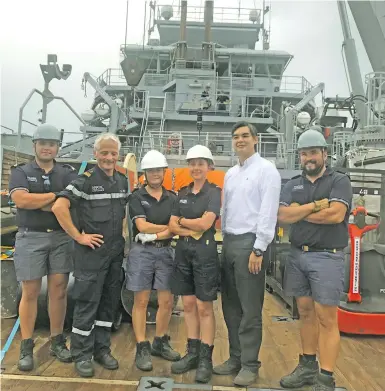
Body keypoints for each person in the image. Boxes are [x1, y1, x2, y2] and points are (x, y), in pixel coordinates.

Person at [277, 128, 353, 391]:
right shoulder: (293, 183)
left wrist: (299, 212)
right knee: (306, 313)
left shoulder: (339, 181)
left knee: (326, 318)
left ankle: (326, 377)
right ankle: (308, 366)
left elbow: (335, 215)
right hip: (298, 255)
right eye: (303, 153)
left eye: (312, 153)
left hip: (327, 257)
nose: (308, 158)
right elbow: (282, 216)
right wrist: (315, 206)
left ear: (324, 153)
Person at [52, 133, 129, 378]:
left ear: (118, 155)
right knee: (87, 304)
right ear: (95, 154)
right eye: (104, 153)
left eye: (113, 153)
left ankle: (101, 349)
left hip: (115, 253)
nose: (108, 157)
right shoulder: (83, 181)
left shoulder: (122, 180)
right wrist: (78, 236)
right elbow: (58, 206)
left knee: (108, 303)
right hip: (91, 254)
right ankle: (82, 354)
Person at [214, 121, 281, 387]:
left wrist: (259, 248)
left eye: (244, 136)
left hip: (250, 244)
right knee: (230, 307)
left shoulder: (267, 170)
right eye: (236, 137)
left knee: (250, 308)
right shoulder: (231, 173)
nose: (239, 140)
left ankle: (250, 365)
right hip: (229, 242)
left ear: (256, 139)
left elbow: (268, 211)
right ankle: (235, 357)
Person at [9, 123, 77, 371]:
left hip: (61, 237)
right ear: (35, 145)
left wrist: (39, 200)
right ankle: (26, 346)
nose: (47, 148)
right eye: (43, 143)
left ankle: (57, 341)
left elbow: (71, 202)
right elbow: (21, 199)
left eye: (52, 144)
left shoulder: (68, 173)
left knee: (58, 290)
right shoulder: (20, 172)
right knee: (30, 291)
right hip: (31, 237)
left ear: (57, 147)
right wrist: (55, 197)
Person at [168, 145, 221, 384]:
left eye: (200, 163)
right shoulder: (181, 192)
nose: (196, 168)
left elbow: (206, 224)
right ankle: (192, 352)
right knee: (188, 304)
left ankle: (205, 359)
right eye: (192, 163)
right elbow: (172, 226)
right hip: (184, 252)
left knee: (204, 307)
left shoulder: (214, 193)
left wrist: (183, 221)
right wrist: (190, 223)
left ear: (208, 166)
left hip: (205, 253)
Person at [126, 150, 180, 371]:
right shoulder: (136, 198)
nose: (155, 174)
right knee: (141, 301)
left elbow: (174, 230)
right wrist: (170, 228)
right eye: (151, 170)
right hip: (142, 252)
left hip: (166, 252)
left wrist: (158, 234)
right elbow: (142, 227)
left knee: (166, 301)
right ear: (145, 174)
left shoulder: (173, 198)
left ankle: (160, 342)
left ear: (164, 172)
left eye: (159, 170)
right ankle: (142, 346)